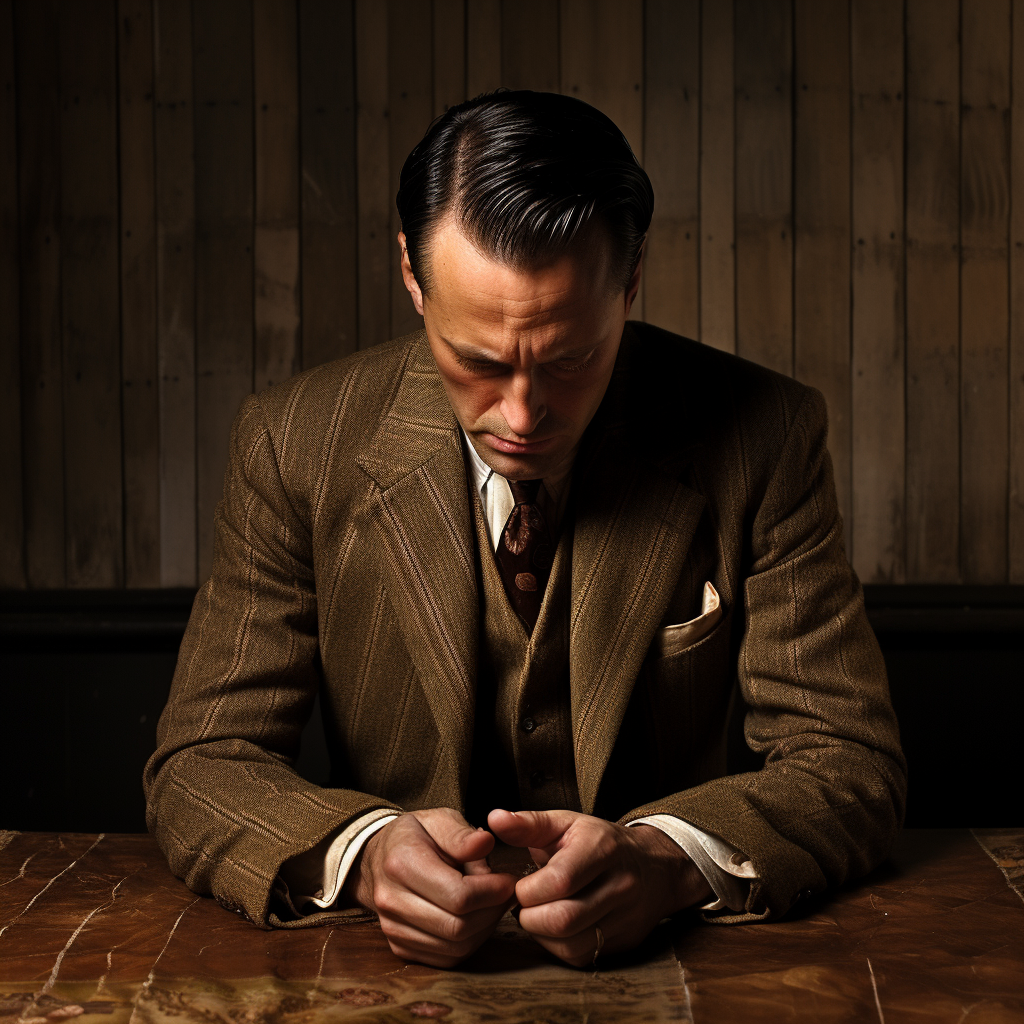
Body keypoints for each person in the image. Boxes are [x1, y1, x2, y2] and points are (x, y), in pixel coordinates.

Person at [144, 90, 906, 970]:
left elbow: (850, 761)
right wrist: (363, 854)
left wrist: (664, 863)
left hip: (682, 972)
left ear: (631, 282)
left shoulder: (766, 435)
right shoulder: (294, 446)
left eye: (571, 358)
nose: (522, 413)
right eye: (476, 360)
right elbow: (202, 759)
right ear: (410, 275)